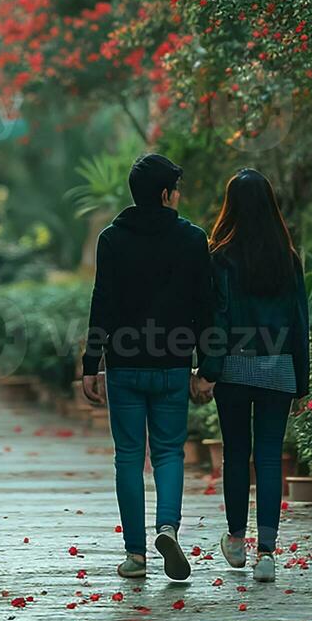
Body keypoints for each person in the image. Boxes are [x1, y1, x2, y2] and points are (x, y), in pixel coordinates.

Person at [81, 153, 214, 581]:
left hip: (123, 365)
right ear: (165, 194)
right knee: (169, 452)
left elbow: (101, 303)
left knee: (128, 457)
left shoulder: (112, 239)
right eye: (176, 189)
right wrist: (207, 365)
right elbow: (205, 308)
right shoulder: (192, 239)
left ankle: (135, 556)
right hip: (173, 365)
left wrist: (90, 364)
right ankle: (168, 527)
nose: (179, 196)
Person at [193, 168, 310, 584]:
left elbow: (218, 319)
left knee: (236, 454)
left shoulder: (220, 257)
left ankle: (237, 542)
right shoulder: (288, 258)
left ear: (232, 207)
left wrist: (208, 370)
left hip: (234, 370)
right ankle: (267, 554)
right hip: (279, 367)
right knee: (269, 457)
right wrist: (302, 380)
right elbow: (299, 323)